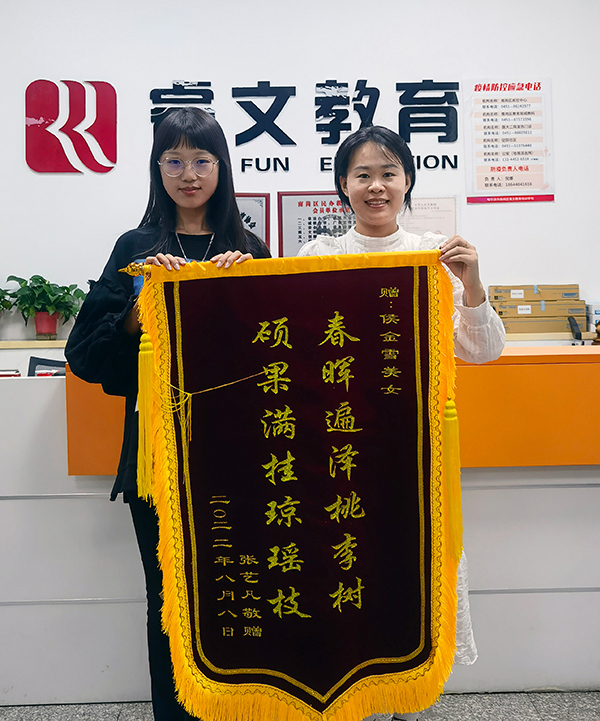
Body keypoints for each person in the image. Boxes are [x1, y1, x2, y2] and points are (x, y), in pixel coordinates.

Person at [66, 107, 270, 720]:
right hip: (158, 453)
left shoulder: (249, 249)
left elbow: (280, 359)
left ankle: (242, 709)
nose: (189, 174)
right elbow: (85, 355)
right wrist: (139, 310)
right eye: (174, 160)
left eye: (202, 160)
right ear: (157, 169)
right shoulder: (136, 249)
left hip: (239, 453)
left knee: (242, 585)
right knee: (169, 596)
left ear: (222, 167)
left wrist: (252, 294)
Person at [298, 125, 506, 721]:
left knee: (410, 569)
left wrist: (471, 283)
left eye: (388, 173)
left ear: (408, 181)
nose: (376, 186)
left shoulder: (434, 255)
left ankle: (409, 696)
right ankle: (352, 693)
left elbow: (483, 350)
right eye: (362, 175)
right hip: (337, 447)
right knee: (345, 563)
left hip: (415, 450)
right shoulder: (317, 258)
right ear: (342, 186)